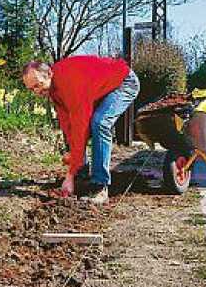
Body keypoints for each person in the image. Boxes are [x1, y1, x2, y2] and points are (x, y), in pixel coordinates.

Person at [22, 54, 140, 204]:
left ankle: (99, 187)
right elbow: (68, 125)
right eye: (31, 89)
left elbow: (80, 125)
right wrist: (74, 166)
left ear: (49, 74)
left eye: (38, 85)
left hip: (124, 82)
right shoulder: (54, 89)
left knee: (100, 122)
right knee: (73, 130)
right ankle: (81, 175)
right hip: (102, 88)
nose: (36, 92)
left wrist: (69, 174)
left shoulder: (70, 83)